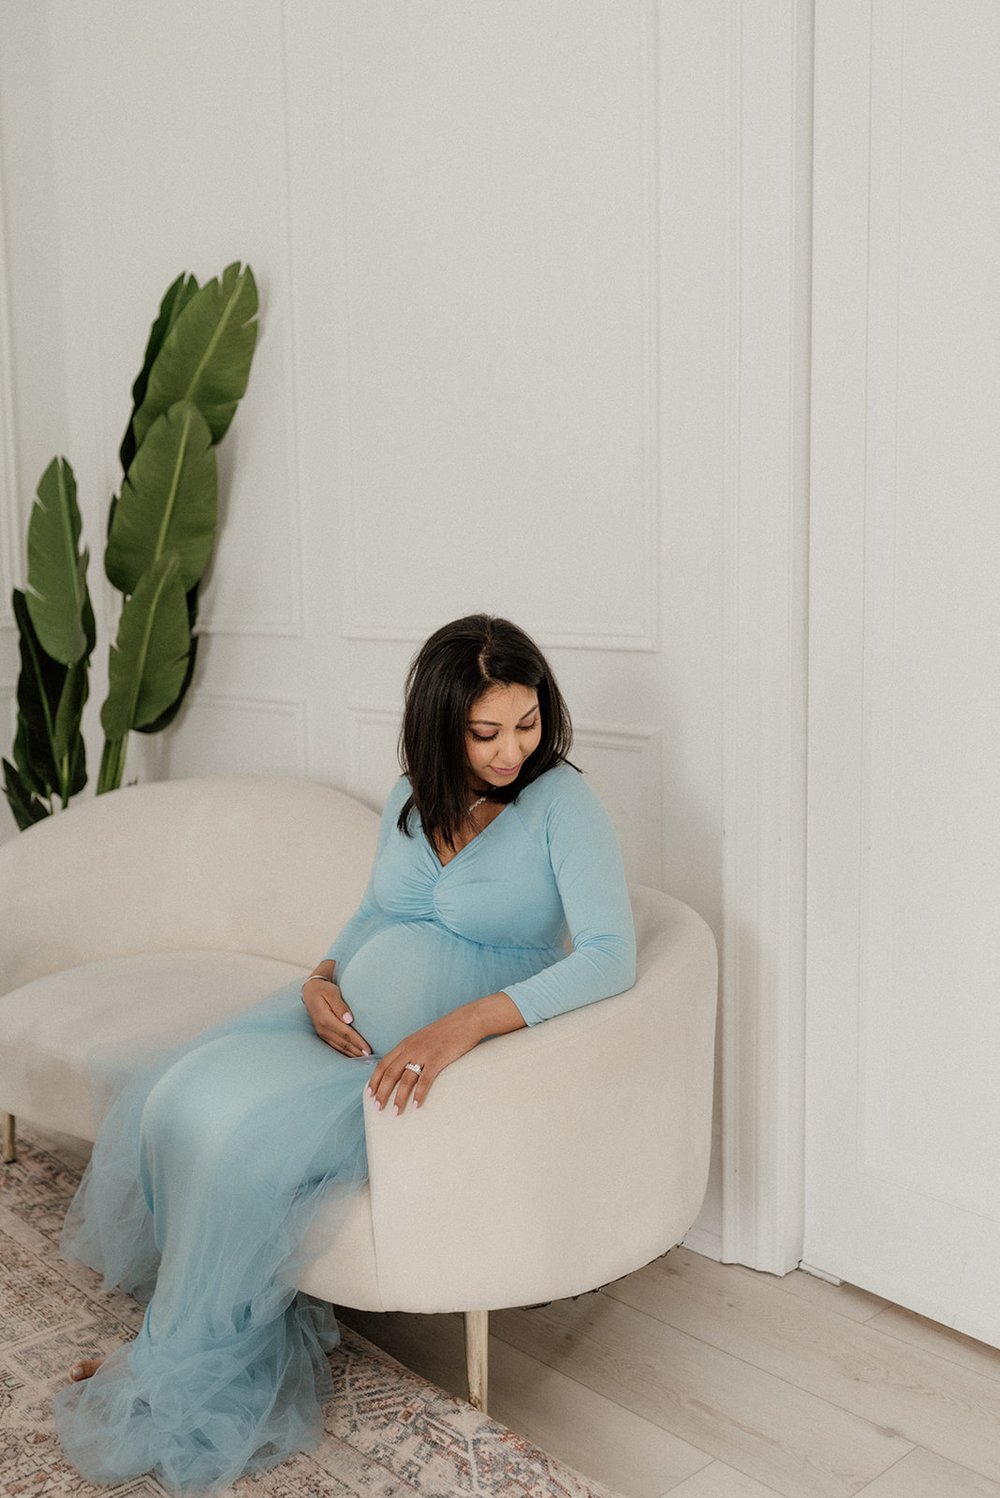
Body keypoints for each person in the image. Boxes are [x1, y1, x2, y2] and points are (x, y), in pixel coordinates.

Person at [55, 613, 636, 1492]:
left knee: (244, 1148)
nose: (512, 750)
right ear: (441, 725)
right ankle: (185, 1332)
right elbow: (376, 912)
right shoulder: (415, 793)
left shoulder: (565, 805)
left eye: (527, 724)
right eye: (486, 732)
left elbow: (609, 954)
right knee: (175, 1099)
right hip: (340, 1025)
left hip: (414, 1053)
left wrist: (463, 1024)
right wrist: (322, 977)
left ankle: (172, 1365)